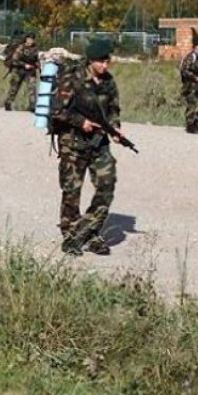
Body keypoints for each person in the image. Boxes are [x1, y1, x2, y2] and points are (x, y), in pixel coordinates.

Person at [49, 40, 124, 256]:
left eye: (107, 61)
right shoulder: (72, 78)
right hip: (72, 142)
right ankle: (70, 233)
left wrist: (115, 128)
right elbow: (57, 111)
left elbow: (113, 109)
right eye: (101, 62)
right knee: (72, 190)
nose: (105, 66)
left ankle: (89, 231)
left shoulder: (108, 81)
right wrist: (81, 122)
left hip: (99, 142)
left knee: (106, 186)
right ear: (90, 60)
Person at [2, 32, 40, 111]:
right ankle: (8, 102)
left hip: (30, 71)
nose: (30, 41)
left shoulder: (35, 49)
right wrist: (24, 65)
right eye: (29, 39)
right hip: (18, 70)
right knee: (14, 88)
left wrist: (39, 67)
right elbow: (14, 60)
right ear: (26, 39)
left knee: (32, 88)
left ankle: (32, 105)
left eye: (32, 39)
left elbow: (37, 60)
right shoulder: (21, 47)